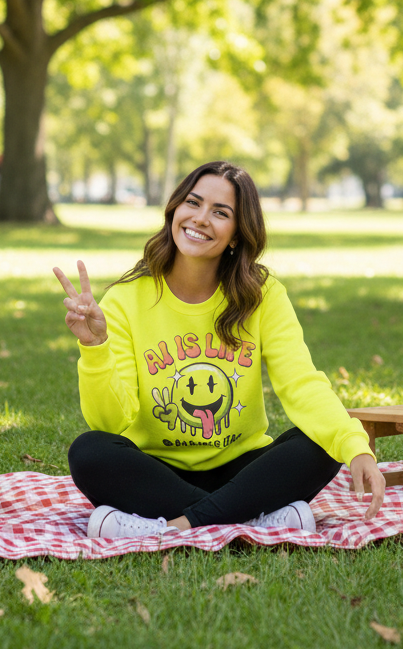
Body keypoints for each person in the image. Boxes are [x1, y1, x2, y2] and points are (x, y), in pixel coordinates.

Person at [53, 161, 385, 539]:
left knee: (322, 444)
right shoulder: (126, 300)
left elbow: (302, 384)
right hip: (158, 470)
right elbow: (111, 422)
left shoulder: (263, 296)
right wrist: (94, 346)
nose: (200, 218)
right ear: (174, 211)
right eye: (192, 203)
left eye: (220, 212)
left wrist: (356, 447)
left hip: (242, 468)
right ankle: (249, 516)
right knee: (90, 452)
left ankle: (173, 526)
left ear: (236, 235)